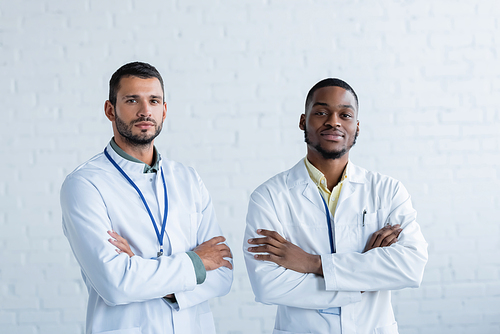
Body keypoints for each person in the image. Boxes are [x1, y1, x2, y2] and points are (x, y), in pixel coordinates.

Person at [244, 78, 428, 334]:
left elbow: (411, 267)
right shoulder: (269, 196)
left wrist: (313, 264)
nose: (334, 121)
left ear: (357, 127)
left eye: (345, 114)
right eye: (321, 112)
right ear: (302, 121)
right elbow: (268, 285)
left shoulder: (387, 191)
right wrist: (362, 281)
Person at [61, 62, 233, 334]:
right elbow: (115, 284)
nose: (145, 111)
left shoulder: (188, 179)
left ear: (164, 110)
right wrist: (197, 262)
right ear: (110, 110)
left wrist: (140, 269)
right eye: (132, 100)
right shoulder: (84, 184)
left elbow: (223, 273)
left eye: (154, 101)